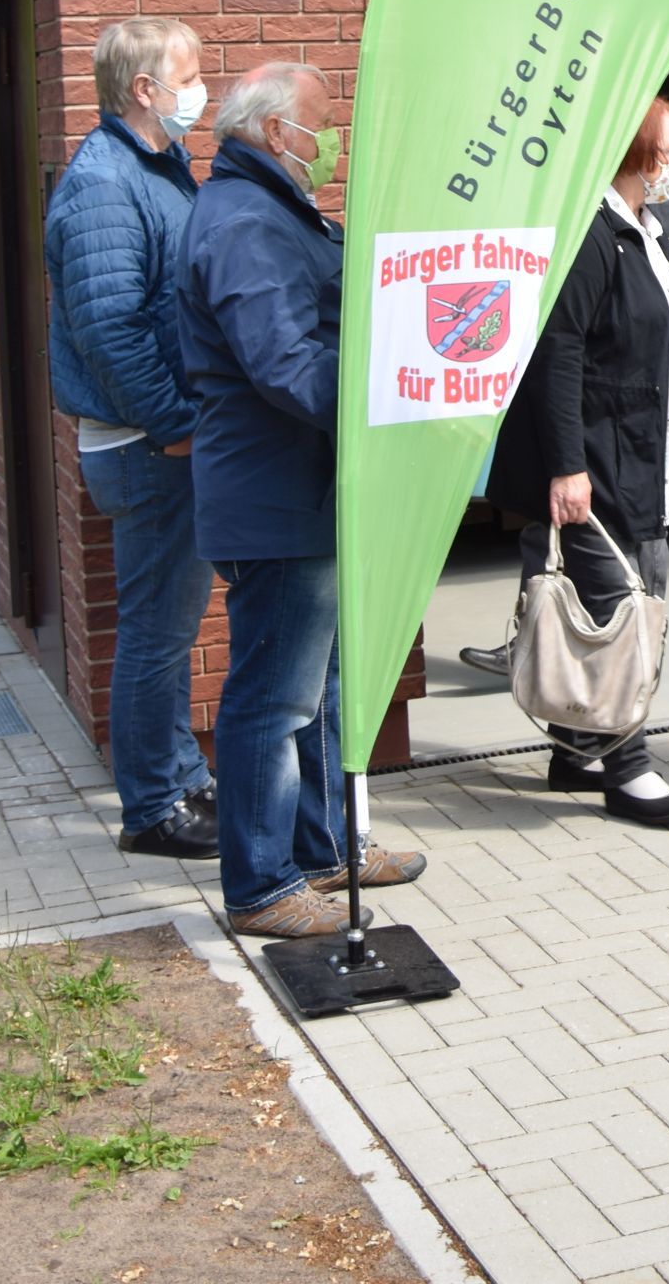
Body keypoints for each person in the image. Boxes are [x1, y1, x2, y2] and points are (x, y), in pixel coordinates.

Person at [179, 61, 424, 937]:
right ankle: (260, 886)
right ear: (278, 131)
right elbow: (285, 364)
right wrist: (391, 405)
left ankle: (324, 852)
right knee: (271, 698)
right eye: (324, 125)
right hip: (278, 498)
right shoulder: (246, 222)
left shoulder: (272, 209)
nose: (333, 144)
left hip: (303, 490)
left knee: (317, 685)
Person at [483, 97, 669, 827]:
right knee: (628, 608)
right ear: (638, 155)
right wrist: (566, 466)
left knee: (607, 603)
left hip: (649, 447)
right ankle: (628, 766)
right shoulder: (590, 234)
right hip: (602, 456)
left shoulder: (656, 229)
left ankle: (577, 749)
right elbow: (558, 353)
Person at [45, 18, 217, 860]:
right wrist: (179, 425)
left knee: (169, 628)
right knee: (154, 631)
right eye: (188, 74)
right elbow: (110, 331)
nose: (201, 88)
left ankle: (181, 778)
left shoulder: (157, 169)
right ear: (143, 90)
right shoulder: (106, 184)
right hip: (148, 445)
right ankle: (153, 808)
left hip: (161, 437)